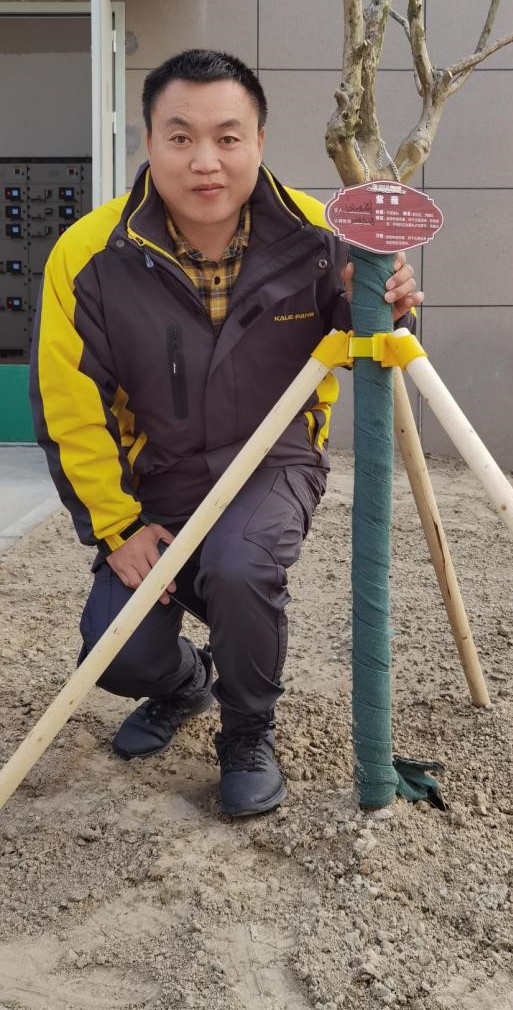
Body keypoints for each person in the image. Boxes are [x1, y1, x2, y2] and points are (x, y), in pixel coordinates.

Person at [30, 49, 423, 817]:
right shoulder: (89, 255)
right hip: (159, 475)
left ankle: (247, 733)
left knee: (240, 570)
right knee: (118, 654)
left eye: (228, 137)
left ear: (260, 141)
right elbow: (69, 405)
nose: (204, 161)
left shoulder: (320, 236)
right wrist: (117, 527)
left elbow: (377, 342)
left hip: (272, 458)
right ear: (149, 141)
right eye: (180, 137)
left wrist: (391, 300)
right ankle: (188, 683)